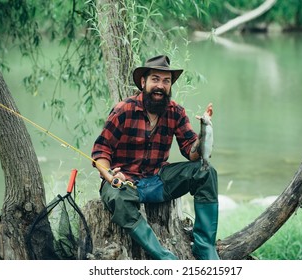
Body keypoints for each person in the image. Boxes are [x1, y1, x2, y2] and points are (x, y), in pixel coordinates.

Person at [91, 55, 219, 260]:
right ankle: (164, 257)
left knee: (206, 172)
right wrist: (110, 176)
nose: (160, 86)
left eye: (166, 81)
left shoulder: (175, 112)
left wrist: (204, 134)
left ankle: (204, 247)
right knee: (116, 197)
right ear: (143, 82)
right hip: (126, 182)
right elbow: (101, 150)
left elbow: (191, 152)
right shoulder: (124, 110)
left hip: (159, 180)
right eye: (155, 79)